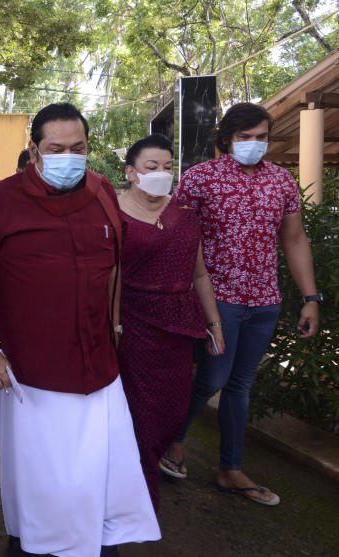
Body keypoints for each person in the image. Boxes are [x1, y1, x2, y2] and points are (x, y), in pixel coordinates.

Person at [0, 103, 160, 557]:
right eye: (57, 148)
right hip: (31, 367)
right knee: (41, 475)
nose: (69, 156)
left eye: (79, 148)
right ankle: (32, 544)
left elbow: (114, 265)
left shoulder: (102, 191)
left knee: (98, 468)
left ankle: (96, 543)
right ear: (34, 149)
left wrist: (114, 325)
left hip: (97, 361)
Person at [165, 102, 320, 506]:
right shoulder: (200, 179)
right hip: (218, 299)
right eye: (244, 137)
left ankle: (229, 469)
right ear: (226, 139)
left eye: (261, 137)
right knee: (213, 378)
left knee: (240, 385)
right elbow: (179, 239)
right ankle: (172, 441)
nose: (254, 144)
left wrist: (310, 298)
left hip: (264, 300)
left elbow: (294, 239)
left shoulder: (282, 181)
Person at [116, 134, 225, 511]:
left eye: (167, 167)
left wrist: (215, 324)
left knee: (172, 411)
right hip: (129, 327)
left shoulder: (184, 215)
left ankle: (139, 490)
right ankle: (135, 500)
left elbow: (199, 274)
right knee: (137, 415)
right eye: (151, 167)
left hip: (178, 327)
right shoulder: (111, 212)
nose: (161, 174)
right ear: (131, 172)